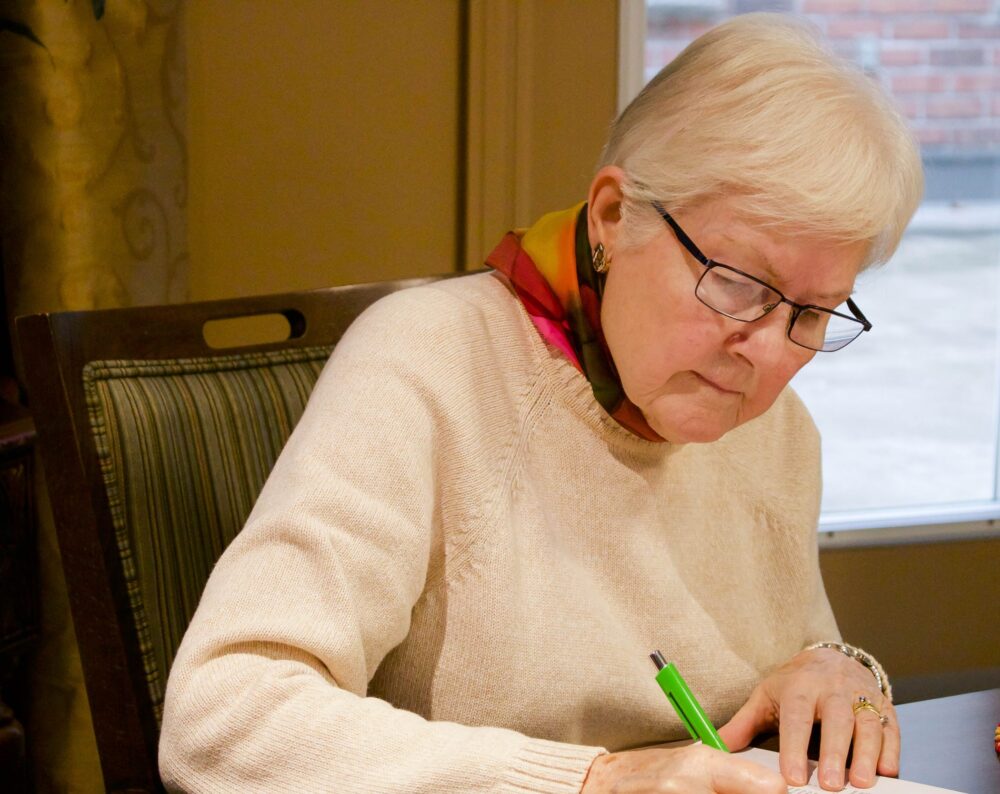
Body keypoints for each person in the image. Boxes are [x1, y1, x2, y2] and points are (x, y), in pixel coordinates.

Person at [159, 13, 923, 793]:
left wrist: (834, 669)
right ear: (613, 216)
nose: (767, 350)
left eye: (812, 313)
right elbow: (222, 718)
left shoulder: (779, 433)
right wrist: (595, 780)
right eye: (736, 282)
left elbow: (789, 683)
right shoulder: (429, 365)